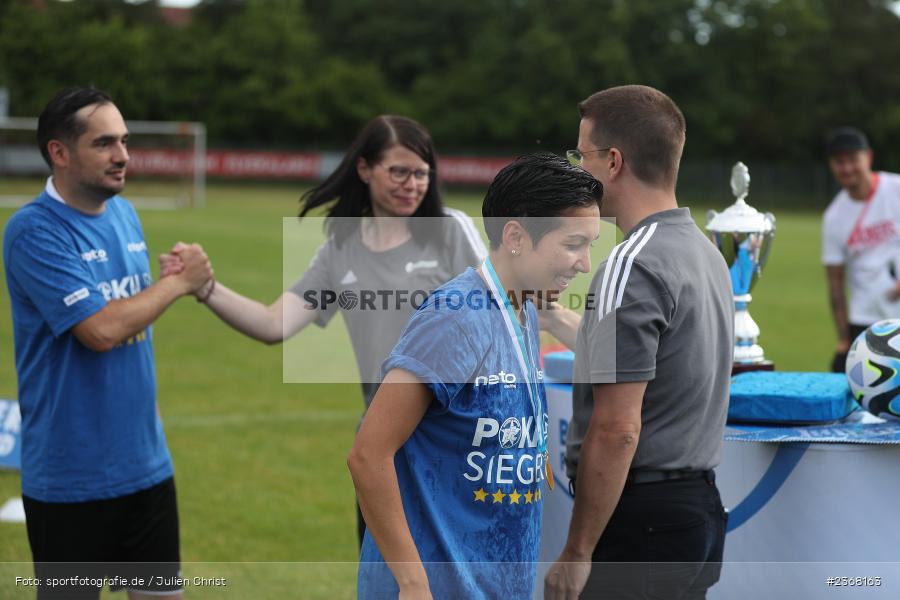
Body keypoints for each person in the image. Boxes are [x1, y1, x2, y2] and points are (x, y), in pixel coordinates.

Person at [159, 115, 486, 545]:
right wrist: (204, 288)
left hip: (458, 440)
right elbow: (273, 323)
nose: (412, 183)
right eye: (399, 171)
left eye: (422, 173)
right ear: (365, 169)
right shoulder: (339, 249)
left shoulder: (451, 230)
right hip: (382, 450)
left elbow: (505, 316)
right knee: (384, 584)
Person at [349, 152, 602, 599]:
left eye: (590, 245)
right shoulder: (455, 319)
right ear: (516, 237)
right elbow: (369, 455)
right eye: (573, 243)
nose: (584, 263)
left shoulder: (521, 308)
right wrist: (412, 582)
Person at [3, 87, 212, 599]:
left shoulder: (124, 214)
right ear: (59, 152)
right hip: (70, 479)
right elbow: (99, 330)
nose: (122, 155)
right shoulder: (33, 231)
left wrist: (152, 423)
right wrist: (178, 284)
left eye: (124, 140)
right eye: (103, 143)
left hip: (146, 468)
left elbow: (134, 326)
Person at [544, 85, 733, 600]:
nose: (576, 168)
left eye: (580, 155)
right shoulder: (703, 249)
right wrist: (548, 314)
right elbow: (645, 360)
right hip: (694, 511)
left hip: (639, 521)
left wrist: (577, 550)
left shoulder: (632, 263)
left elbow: (618, 428)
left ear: (613, 161)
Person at [821, 126, 900, 373]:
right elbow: (835, 281)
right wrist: (844, 337)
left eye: (853, 159)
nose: (846, 168)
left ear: (869, 157)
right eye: (839, 162)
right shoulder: (834, 216)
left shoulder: (896, 188)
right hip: (865, 319)